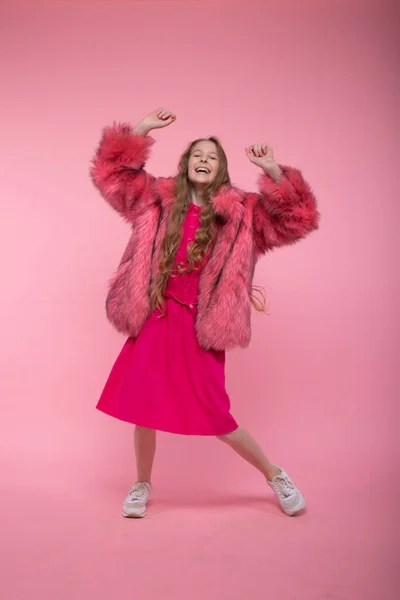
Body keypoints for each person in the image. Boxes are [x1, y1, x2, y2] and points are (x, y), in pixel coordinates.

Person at [90, 107, 320, 519]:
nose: (203, 160)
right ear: (185, 163)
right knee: (143, 408)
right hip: (156, 317)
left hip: (201, 326)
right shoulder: (154, 199)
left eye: (211, 157)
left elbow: (298, 221)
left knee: (218, 418)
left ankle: (274, 475)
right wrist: (140, 132)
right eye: (196, 154)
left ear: (220, 168)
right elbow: (112, 177)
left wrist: (273, 172)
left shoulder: (245, 213)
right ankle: (142, 484)